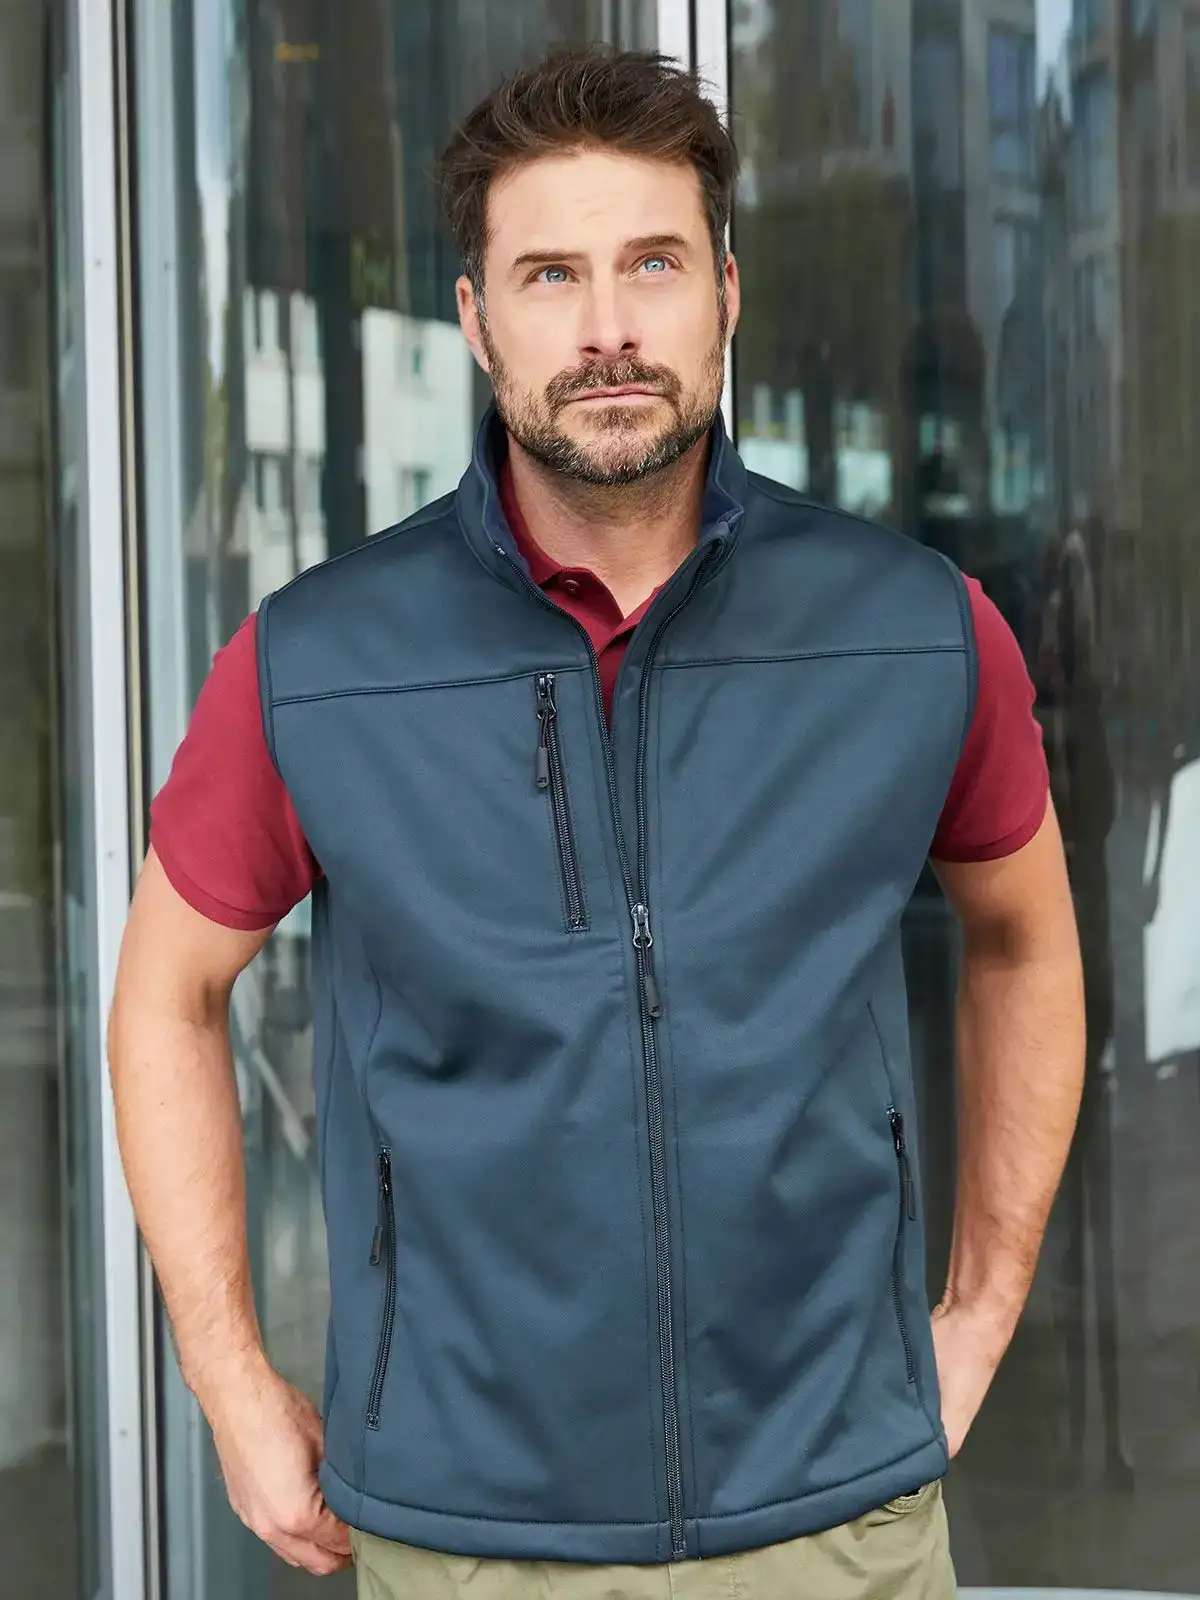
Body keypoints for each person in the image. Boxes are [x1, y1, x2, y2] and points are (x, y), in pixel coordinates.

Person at [108, 48, 1085, 1600]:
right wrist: (229, 1380)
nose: (608, 326)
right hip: (460, 1535)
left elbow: (1026, 944)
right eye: (550, 274)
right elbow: (165, 991)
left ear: (727, 294)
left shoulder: (917, 631)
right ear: (476, 317)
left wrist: (977, 1308)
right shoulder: (316, 661)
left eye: (654, 263)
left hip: (836, 1520)